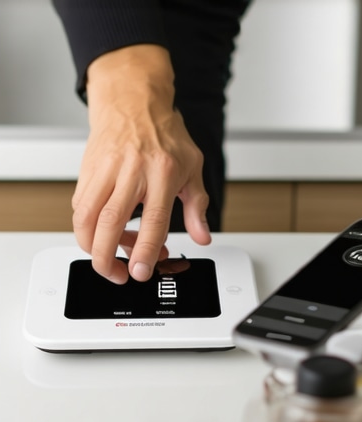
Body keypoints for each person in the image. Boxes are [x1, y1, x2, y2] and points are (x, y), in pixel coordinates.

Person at [52, 0, 252, 284]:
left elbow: (203, 23)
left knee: (185, 242)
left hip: (201, 60)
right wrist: (128, 89)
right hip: (120, 42)